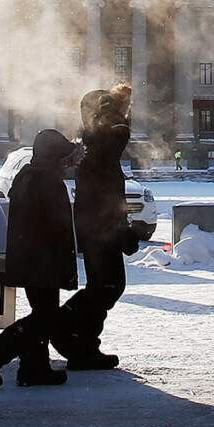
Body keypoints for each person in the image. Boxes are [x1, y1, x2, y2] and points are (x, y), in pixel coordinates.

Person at [0, 129, 81, 388]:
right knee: (45, 318)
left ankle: (34, 369)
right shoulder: (49, 182)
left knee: (42, 314)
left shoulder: (26, 177)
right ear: (55, 157)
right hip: (43, 261)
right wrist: (65, 267)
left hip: (28, 257)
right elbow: (58, 230)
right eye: (65, 159)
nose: (67, 165)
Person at [53, 83, 139, 370]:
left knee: (105, 286)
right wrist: (116, 229)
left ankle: (83, 343)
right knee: (107, 286)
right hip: (99, 230)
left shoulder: (97, 146)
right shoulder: (98, 147)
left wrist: (122, 227)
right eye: (109, 113)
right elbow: (118, 138)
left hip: (101, 227)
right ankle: (66, 328)